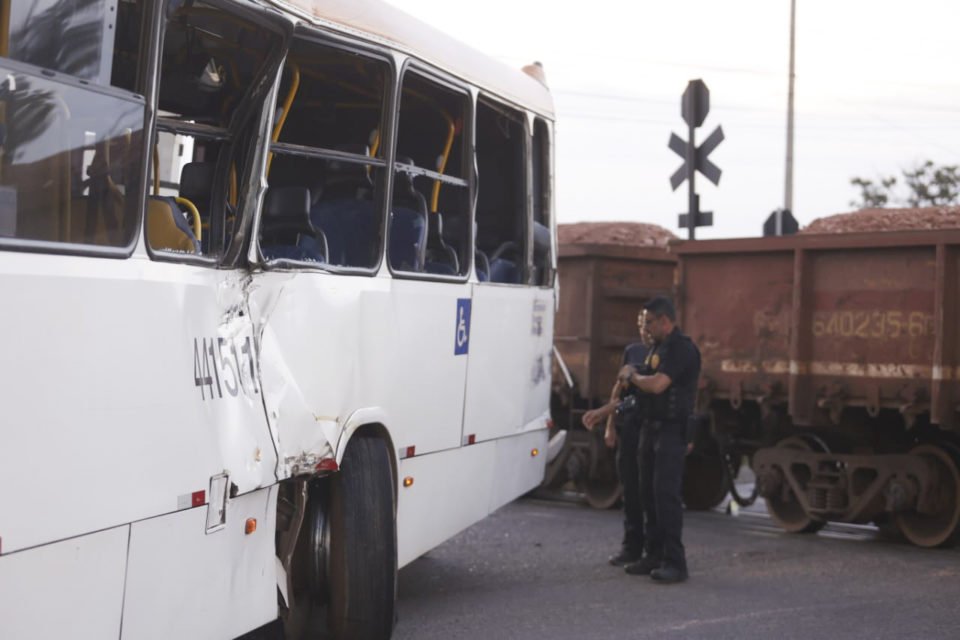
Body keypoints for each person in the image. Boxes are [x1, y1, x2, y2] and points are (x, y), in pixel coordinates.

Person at [617, 296, 700, 584]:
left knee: (666, 496)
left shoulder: (681, 349)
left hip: (671, 430)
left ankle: (675, 562)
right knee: (647, 494)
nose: (646, 328)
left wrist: (633, 375)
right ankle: (652, 555)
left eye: (650, 322)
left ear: (665, 320)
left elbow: (657, 385)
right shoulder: (657, 348)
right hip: (649, 429)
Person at [581, 311, 654, 568]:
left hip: (652, 428)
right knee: (630, 490)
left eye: (648, 325)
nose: (644, 331)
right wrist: (610, 426)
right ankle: (631, 547)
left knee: (650, 493)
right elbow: (618, 391)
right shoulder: (632, 351)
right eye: (641, 325)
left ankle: (652, 550)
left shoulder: (663, 355)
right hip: (630, 427)